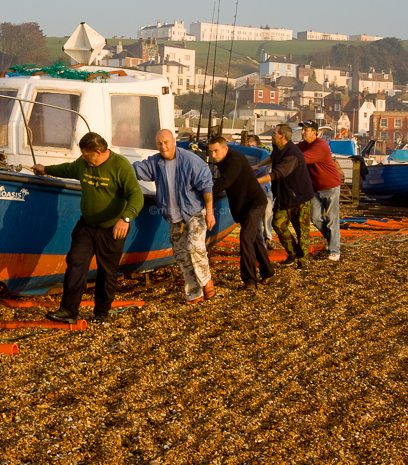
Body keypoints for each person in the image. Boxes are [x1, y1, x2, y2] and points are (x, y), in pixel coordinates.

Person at [33, 133, 143, 324]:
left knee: (107, 272)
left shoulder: (120, 166)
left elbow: (136, 195)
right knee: (75, 263)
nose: (83, 158)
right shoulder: (83, 163)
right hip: (87, 225)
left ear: (98, 152)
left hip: (112, 228)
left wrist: (125, 219)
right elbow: (67, 169)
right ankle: (68, 311)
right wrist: (45, 170)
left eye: (86, 155)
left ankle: (101, 313)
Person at [133, 129, 216, 304]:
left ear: (173, 142)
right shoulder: (155, 162)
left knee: (194, 247)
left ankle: (206, 281)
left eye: (166, 142)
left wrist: (210, 213)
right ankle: (194, 293)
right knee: (181, 255)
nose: (163, 147)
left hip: (194, 213)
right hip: (174, 218)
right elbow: (137, 170)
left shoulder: (190, 160)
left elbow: (207, 185)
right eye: (159, 144)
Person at [208, 136, 275, 288]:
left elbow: (225, 182)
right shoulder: (224, 160)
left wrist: (204, 192)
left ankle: (250, 280)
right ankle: (268, 273)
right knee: (255, 239)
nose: (213, 155)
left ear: (225, 149)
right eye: (211, 152)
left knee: (245, 238)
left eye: (216, 151)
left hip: (255, 203)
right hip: (245, 206)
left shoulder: (234, 160)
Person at [253, 124, 315, 270]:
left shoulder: (293, 154)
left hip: (300, 197)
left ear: (282, 136)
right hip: (284, 194)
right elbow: (272, 157)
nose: (272, 135)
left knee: (301, 230)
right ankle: (292, 252)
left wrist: (255, 181)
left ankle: (303, 261)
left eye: (274, 133)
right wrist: (257, 166)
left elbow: (277, 174)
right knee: (278, 224)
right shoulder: (277, 147)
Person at [298, 120, 342, 261]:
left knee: (332, 219)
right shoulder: (303, 145)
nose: (303, 132)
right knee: (315, 218)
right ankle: (333, 240)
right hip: (315, 188)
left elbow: (300, 158)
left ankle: (335, 250)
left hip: (330, 186)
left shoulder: (320, 146)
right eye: (302, 129)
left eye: (306, 130)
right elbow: (291, 151)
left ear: (314, 132)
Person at [247, 135, 276, 249]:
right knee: (257, 216)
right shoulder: (248, 157)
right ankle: (261, 242)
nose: (250, 145)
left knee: (268, 213)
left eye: (251, 142)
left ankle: (269, 237)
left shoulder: (263, 154)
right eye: (248, 143)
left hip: (266, 188)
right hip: (256, 191)